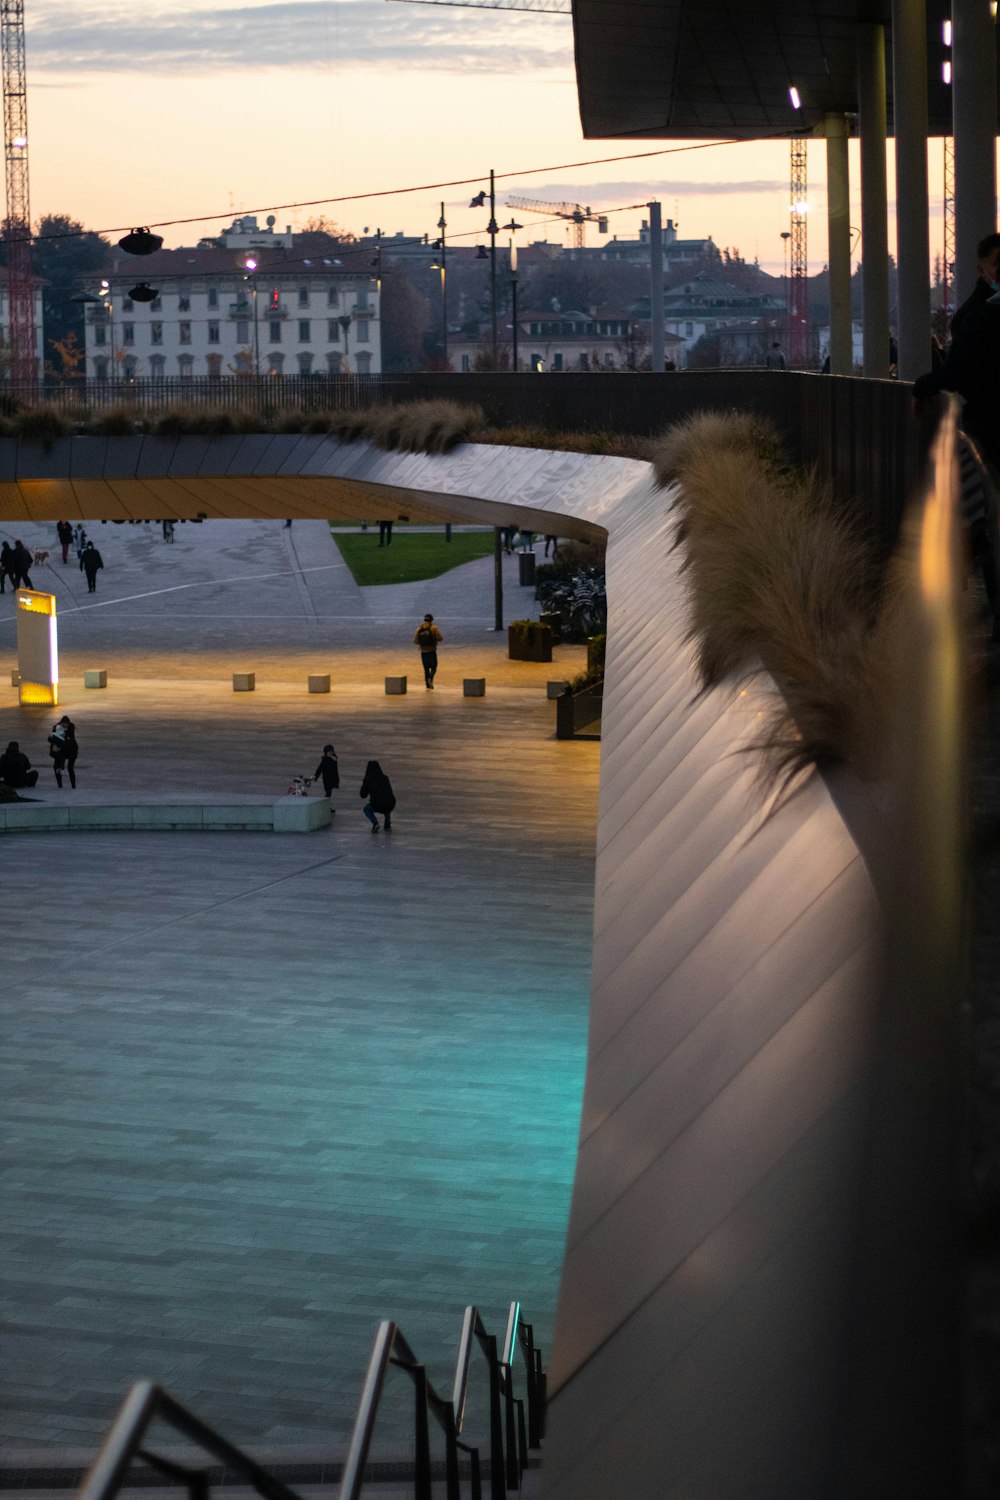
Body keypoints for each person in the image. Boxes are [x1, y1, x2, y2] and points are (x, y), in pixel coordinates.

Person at [360, 760, 395, 832]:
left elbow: (363, 795)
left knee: (367, 809)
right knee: (386, 804)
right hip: (391, 802)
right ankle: (387, 825)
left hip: (377, 804)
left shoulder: (368, 779)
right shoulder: (385, 778)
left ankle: (375, 823)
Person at [413, 612, 443, 688]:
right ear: (431, 620)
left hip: (423, 652)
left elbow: (415, 641)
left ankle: (427, 685)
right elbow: (440, 638)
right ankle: (430, 679)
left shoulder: (419, 629)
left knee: (426, 669)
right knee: (434, 667)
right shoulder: (434, 628)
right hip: (432, 651)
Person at [48, 716, 78, 788]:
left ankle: (73, 786)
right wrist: (54, 746)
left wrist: (58, 746)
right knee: (56, 767)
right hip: (61, 750)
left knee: (70, 768)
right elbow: (51, 738)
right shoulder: (57, 728)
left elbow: (69, 743)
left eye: (66, 725)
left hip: (71, 750)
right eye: (63, 725)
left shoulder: (70, 730)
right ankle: (60, 786)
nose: (64, 727)